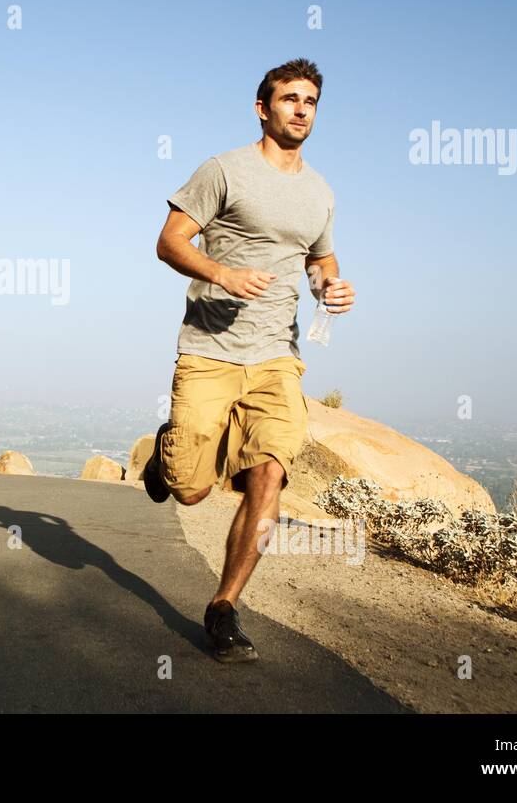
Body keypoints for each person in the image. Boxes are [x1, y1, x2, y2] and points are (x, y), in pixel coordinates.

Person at [142, 58, 356, 661]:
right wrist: (221, 273)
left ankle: (224, 606)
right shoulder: (223, 170)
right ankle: (168, 457)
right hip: (209, 349)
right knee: (189, 490)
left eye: (310, 101)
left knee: (271, 472)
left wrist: (330, 287)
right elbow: (169, 241)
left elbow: (320, 260)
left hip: (275, 357)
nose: (300, 109)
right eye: (289, 98)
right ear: (263, 108)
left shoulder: (320, 193)